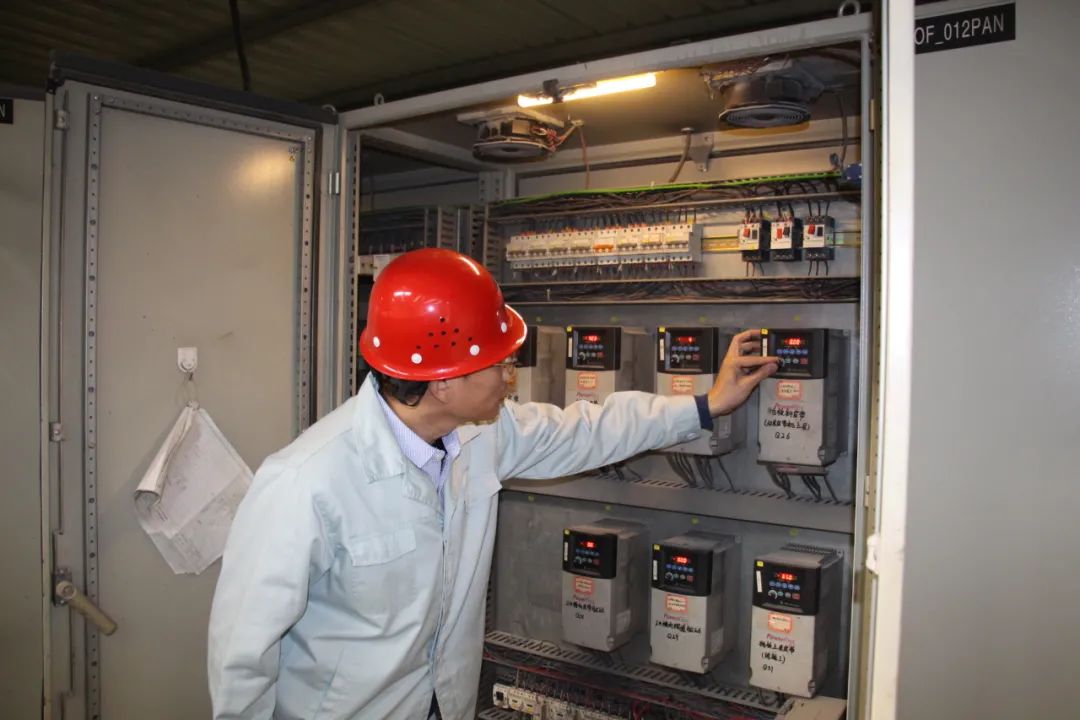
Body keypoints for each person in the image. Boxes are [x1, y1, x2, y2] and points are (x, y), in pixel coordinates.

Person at [208, 248, 778, 719]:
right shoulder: (305, 483)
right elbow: (242, 658)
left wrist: (705, 405)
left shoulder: (479, 435)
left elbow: (588, 429)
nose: (511, 377)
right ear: (442, 382)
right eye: (500, 363)